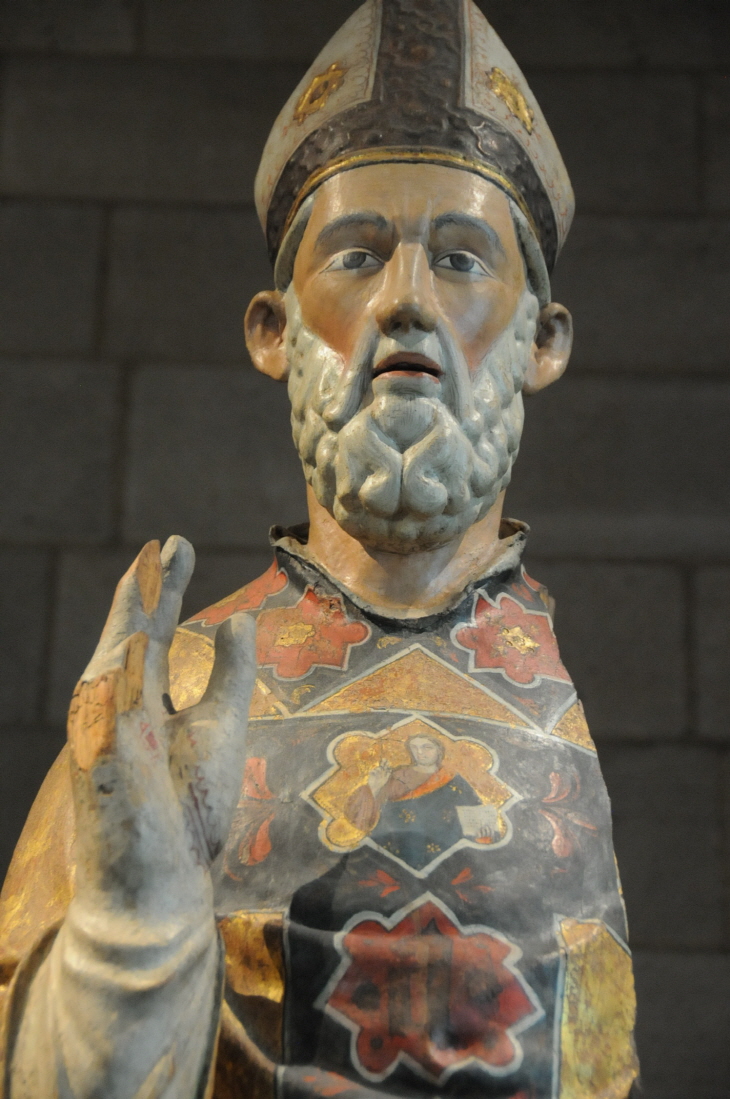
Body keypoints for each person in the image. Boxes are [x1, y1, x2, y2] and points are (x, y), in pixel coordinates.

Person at [0, 2, 639, 1097]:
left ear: (542, 339)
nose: (406, 301)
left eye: (460, 258)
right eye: (356, 255)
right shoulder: (167, 704)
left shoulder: (555, 703)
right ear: (273, 329)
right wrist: (125, 938)